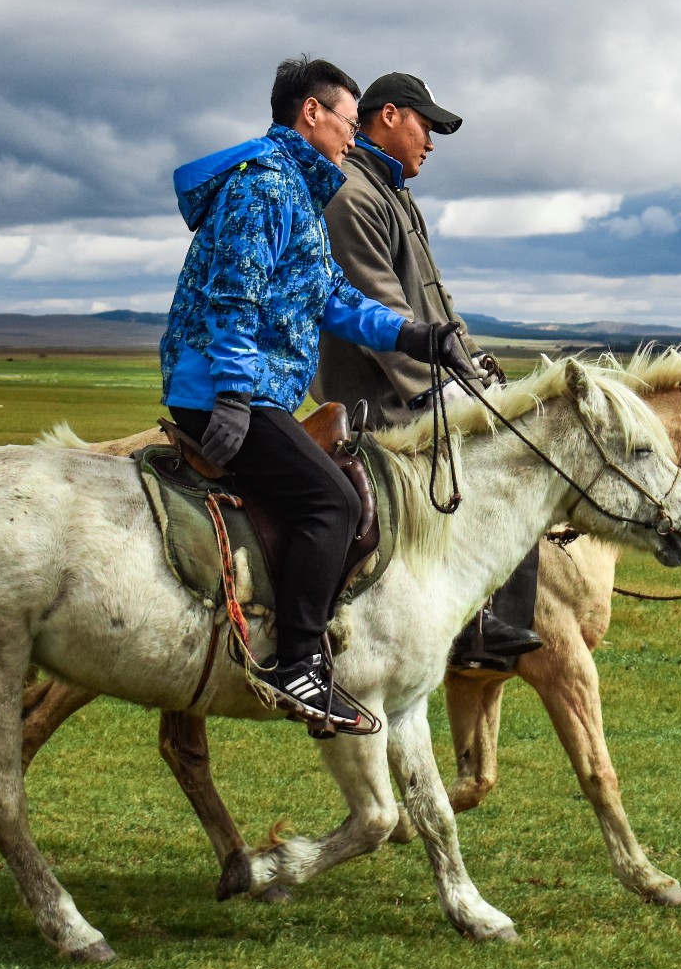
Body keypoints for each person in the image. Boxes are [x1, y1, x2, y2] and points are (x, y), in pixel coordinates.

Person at [159, 56, 464, 734]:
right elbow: (234, 293)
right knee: (333, 499)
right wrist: (235, 398)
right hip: (223, 388)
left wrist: (417, 336)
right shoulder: (265, 185)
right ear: (312, 113)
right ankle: (295, 661)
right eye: (349, 123)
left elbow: (329, 297)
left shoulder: (297, 189)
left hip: (249, 388)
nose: (353, 139)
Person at [312, 72, 544, 671]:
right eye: (427, 126)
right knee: (513, 457)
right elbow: (381, 307)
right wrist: (446, 389)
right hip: (380, 396)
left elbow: (435, 306)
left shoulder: (391, 192)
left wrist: (478, 372)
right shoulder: (351, 195)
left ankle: (497, 623)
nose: (433, 142)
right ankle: (478, 628)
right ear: (389, 115)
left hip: (418, 377)